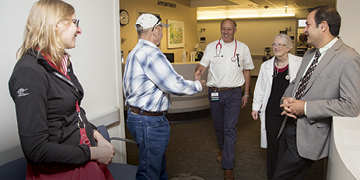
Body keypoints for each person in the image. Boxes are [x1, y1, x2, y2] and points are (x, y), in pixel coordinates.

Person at [8, 0, 115, 179]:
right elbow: (36, 151)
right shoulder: (29, 72)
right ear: (57, 25)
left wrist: (96, 135)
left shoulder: (62, 63)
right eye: (75, 22)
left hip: (83, 162)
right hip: (61, 172)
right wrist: (93, 153)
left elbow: (73, 109)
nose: (79, 30)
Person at [274, 5, 360, 180]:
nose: (304, 30)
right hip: (288, 127)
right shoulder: (309, 54)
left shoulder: (349, 58)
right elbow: (295, 84)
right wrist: (286, 99)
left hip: (309, 135)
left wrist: (305, 108)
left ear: (323, 26)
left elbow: (351, 106)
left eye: (307, 25)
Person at [123, 14, 205, 180]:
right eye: (161, 30)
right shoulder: (151, 53)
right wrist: (197, 85)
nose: (162, 34)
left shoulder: (134, 52)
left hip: (137, 117)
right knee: (149, 171)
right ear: (154, 31)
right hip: (149, 122)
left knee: (156, 165)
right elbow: (173, 84)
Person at [195, 18, 254, 180]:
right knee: (218, 125)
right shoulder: (211, 47)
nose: (226, 32)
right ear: (220, 29)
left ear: (235, 30)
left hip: (234, 93)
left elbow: (247, 71)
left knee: (230, 128)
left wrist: (246, 94)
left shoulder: (243, 48)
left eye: (229, 29)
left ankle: (228, 166)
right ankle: (222, 148)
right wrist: (199, 70)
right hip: (215, 93)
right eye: (223, 29)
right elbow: (203, 65)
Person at [251, 34, 302, 179]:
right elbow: (260, 88)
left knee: (288, 147)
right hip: (272, 111)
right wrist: (256, 107)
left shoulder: (299, 63)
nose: (276, 47)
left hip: (290, 112)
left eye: (280, 45)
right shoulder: (266, 66)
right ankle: (272, 175)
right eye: (274, 44)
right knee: (273, 146)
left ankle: (285, 175)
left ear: (288, 48)